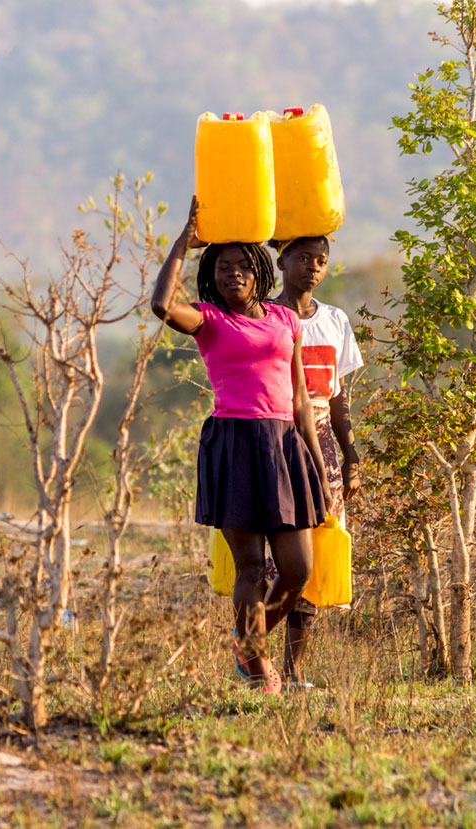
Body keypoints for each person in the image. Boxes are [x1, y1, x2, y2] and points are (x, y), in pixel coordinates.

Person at [151, 198, 330, 695]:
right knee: (250, 566)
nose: (232, 275)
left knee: (298, 569)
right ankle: (256, 664)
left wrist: (317, 469)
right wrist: (183, 244)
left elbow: (299, 399)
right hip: (234, 443)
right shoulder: (208, 320)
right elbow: (163, 306)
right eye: (223, 268)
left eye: (241, 267)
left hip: (285, 445)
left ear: (258, 272)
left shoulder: (285, 320)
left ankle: (246, 642)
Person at [266, 235, 363, 688]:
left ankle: (294, 670)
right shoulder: (263, 316)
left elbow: (339, 398)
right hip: (275, 437)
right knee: (277, 556)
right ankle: (254, 657)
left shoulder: (335, 321)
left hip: (321, 441)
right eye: (303, 258)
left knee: (318, 549)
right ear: (281, 260)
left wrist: (349, 456)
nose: (313, 268)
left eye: (321, 261)